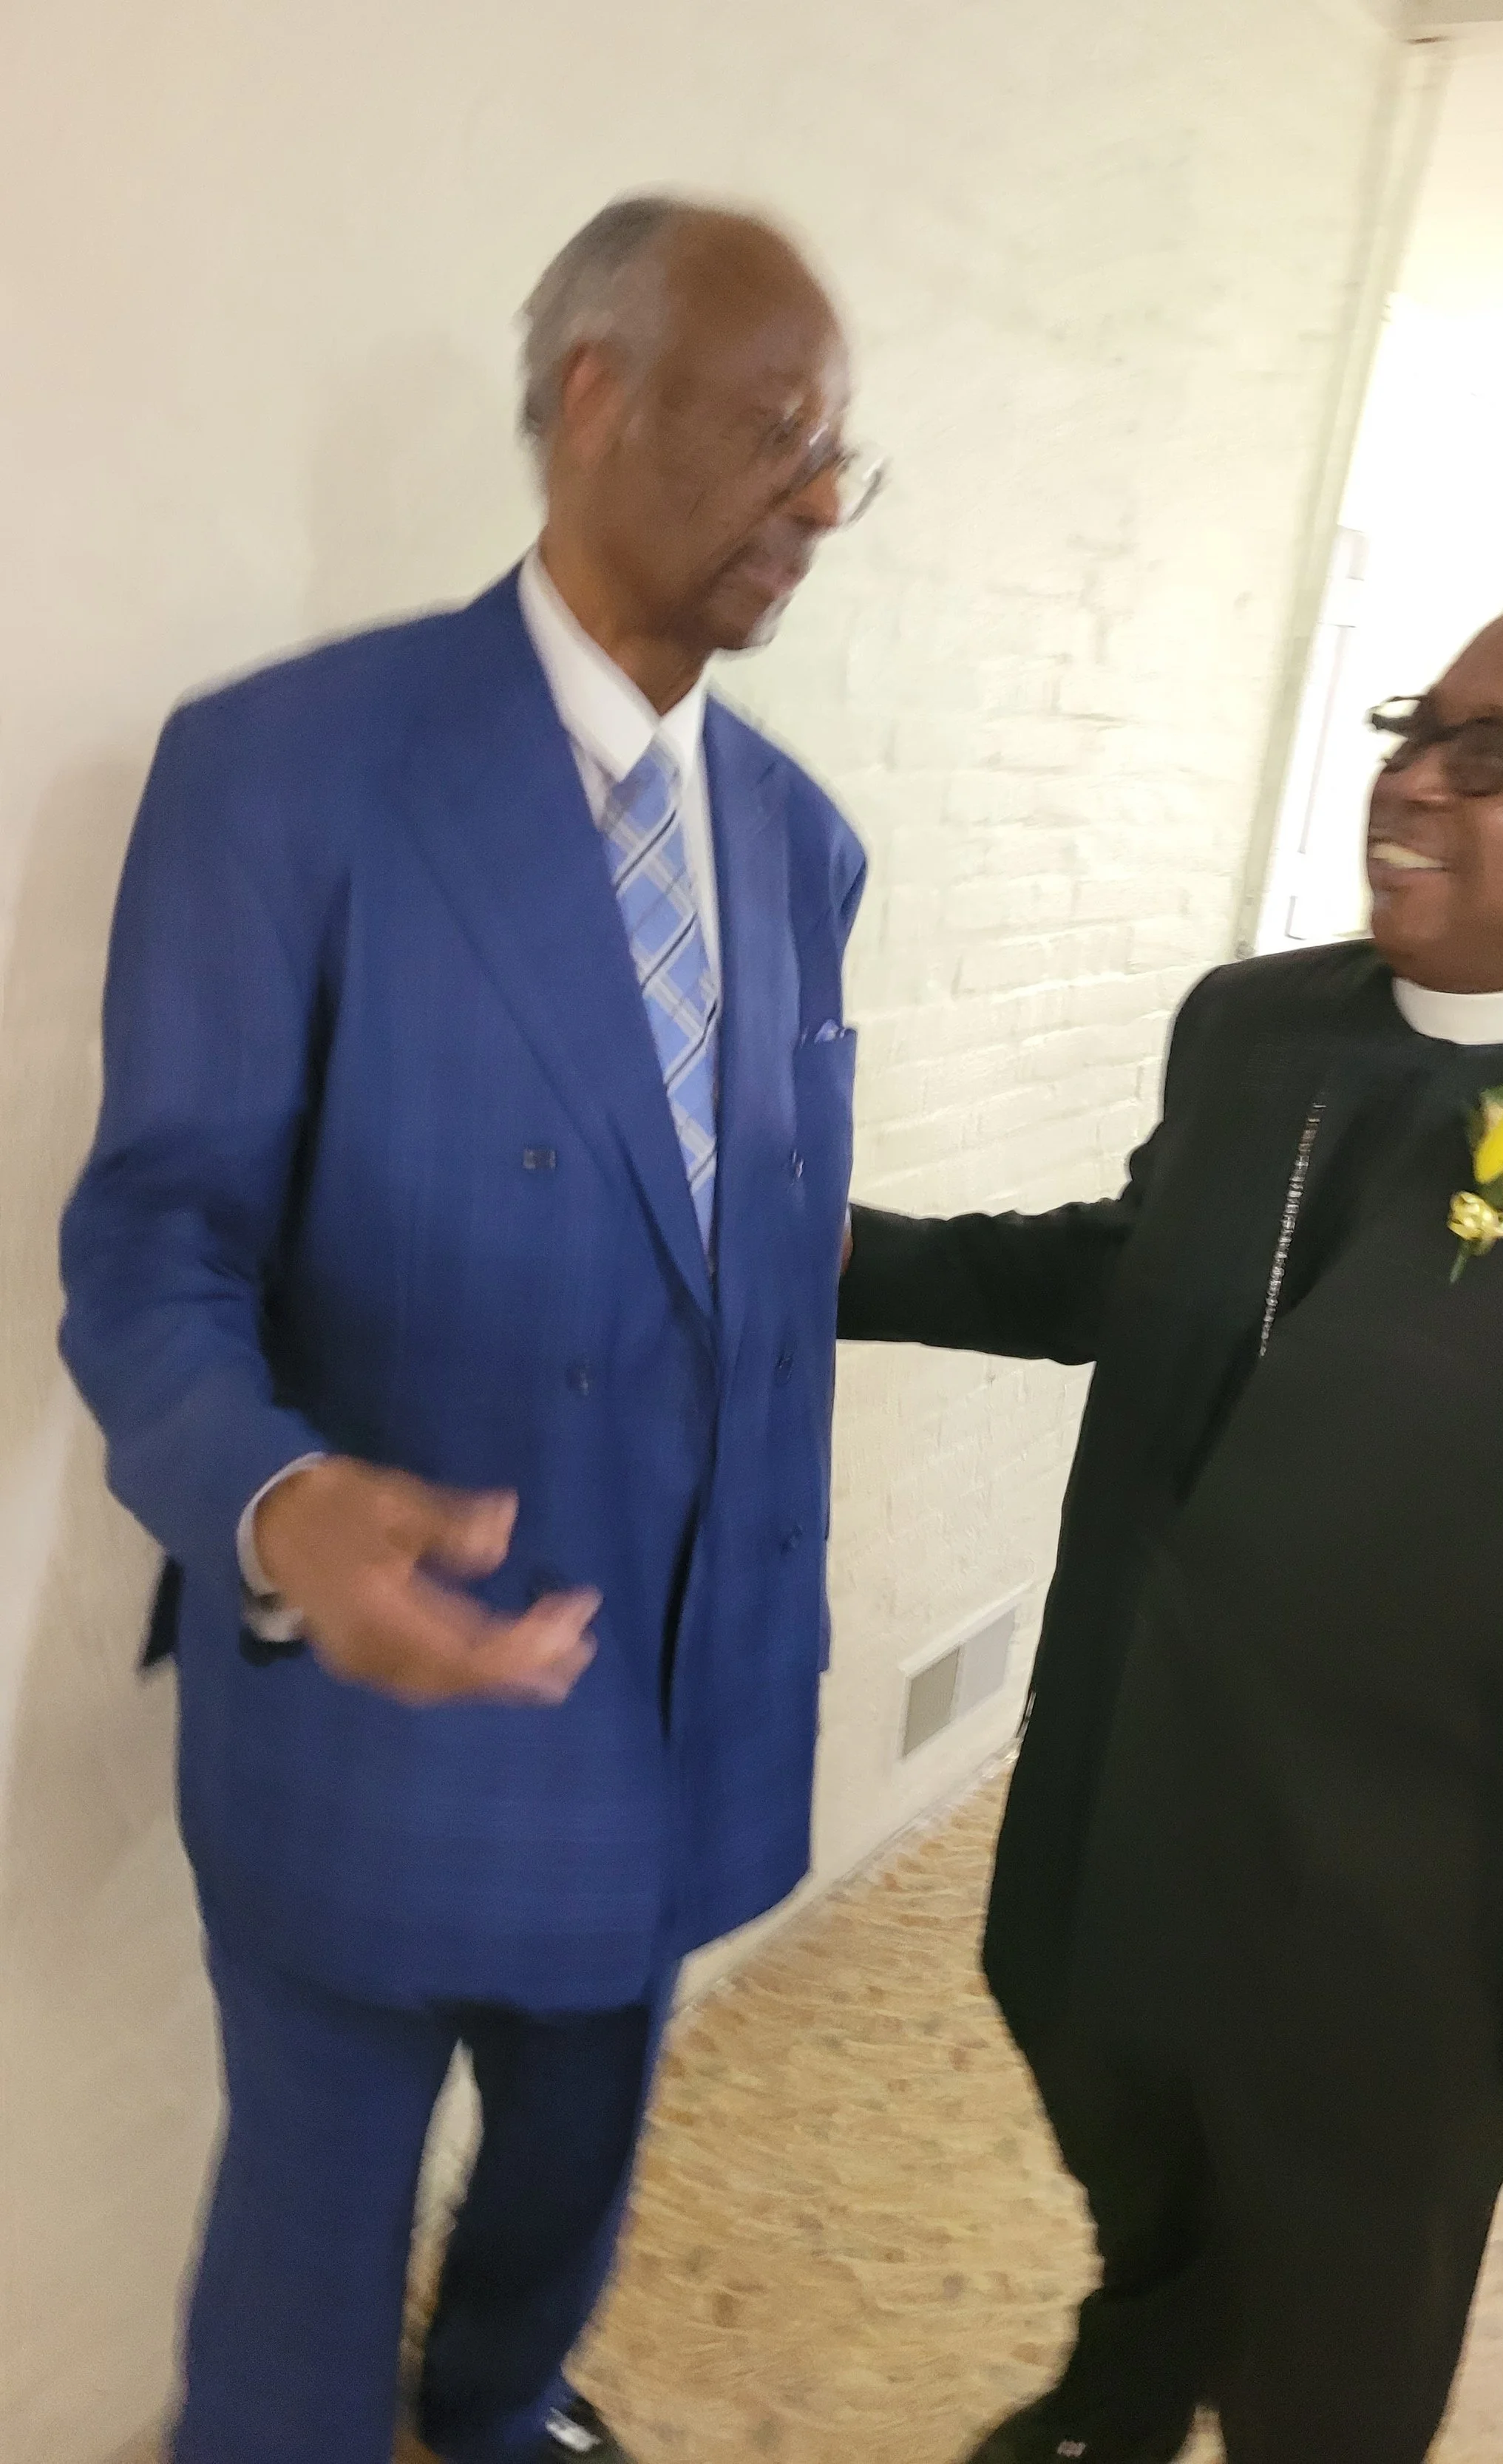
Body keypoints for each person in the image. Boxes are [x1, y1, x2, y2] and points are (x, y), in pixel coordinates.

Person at [840, 583, 1503, 2464]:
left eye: (1495, 758)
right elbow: (1137, 1274)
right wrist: (845, 1259)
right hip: (1118, 1790)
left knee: (1338, 2347)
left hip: (1412, 1911)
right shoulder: (1251, 1027)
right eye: (1419, 725)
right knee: (1115, 2117)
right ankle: (1130, 2367)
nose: (1419, 782)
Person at [60, 197, 876, 2464]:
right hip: (379, 1679)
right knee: (306, 2268)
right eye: (776, 435)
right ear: (593, 396)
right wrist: (274, 1493)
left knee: (570, 2166)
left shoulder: (799, 843)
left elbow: (754, 1241)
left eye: (842, 459)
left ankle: (502, 2405)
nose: (819, 501)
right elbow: (152, 1240)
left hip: (688, 1691)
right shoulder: (290, 770)